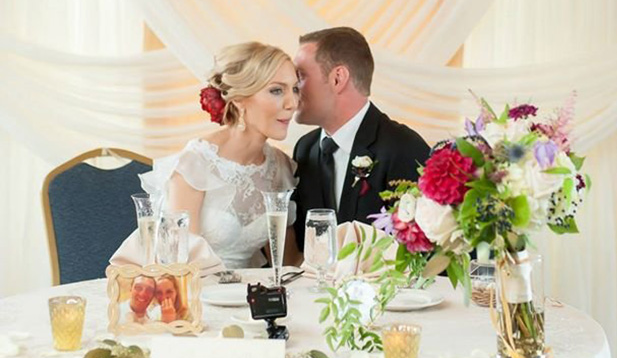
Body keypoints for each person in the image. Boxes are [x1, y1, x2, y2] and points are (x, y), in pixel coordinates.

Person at [140, 42, 300, 270]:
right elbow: (179, 265)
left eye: (295, 88)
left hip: (254, 296)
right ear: (239, 100)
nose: (292, 103)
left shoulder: (280, 167)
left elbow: (289, 263)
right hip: (198, 295)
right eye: (277, 90)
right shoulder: (195, 164)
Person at [292, 27, 429, 249]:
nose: (292, 88)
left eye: (300, 77)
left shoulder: (403, 148)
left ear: (338, 78)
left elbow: (419, 251)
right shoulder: (305, 149)